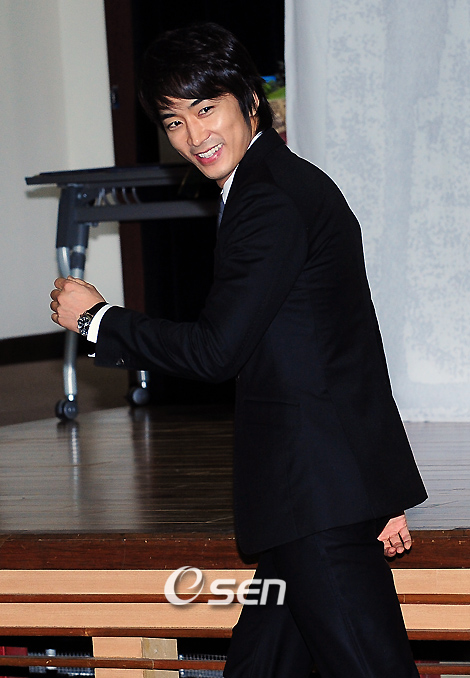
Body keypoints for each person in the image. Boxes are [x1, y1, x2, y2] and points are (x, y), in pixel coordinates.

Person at [50, 22, 427, 677]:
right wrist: (379, 487)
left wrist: (97, 320)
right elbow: (343, 347)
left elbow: (216, 351)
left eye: (205, 109)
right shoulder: (278, 184)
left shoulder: (268, 199)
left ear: (250, 102)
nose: (193, 136)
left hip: (315, 499)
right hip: (310, 497)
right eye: (173, 121)